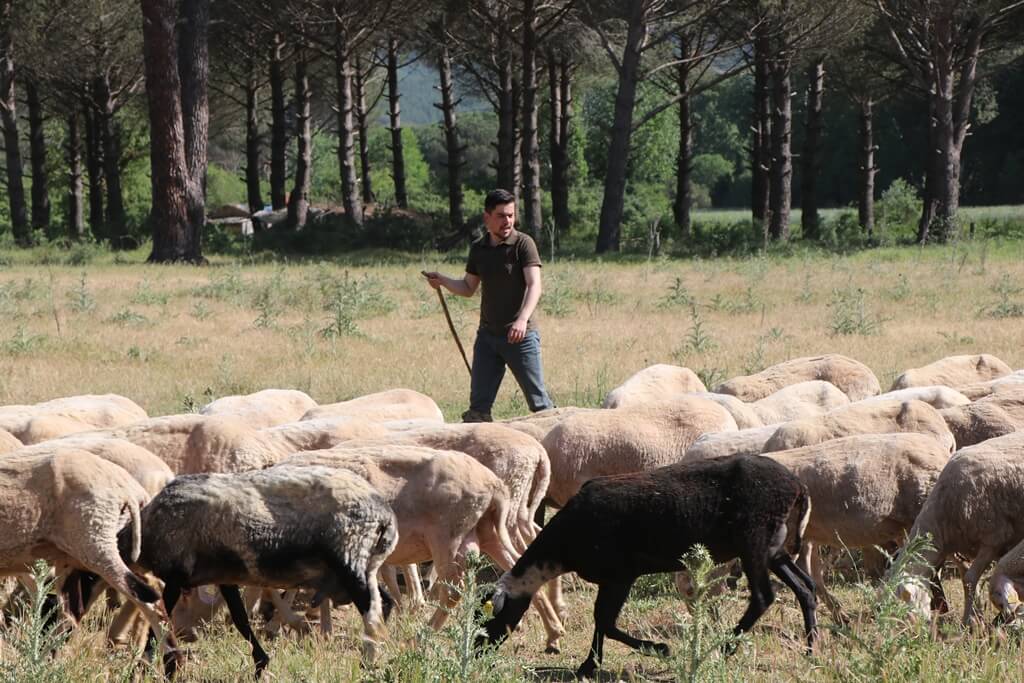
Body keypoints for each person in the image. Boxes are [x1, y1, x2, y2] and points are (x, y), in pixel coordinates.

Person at [423, 189, 554, 422]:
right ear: (487, 217)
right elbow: (468, 287)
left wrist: (522, 320)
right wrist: (441, 280)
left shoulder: (524, 244)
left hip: (520, 338)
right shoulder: (479, 248)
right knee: (477, 411)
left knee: (540, 406)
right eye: (501, 215)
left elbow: (535, 285)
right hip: (487, 338)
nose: (508, 221)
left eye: (511, 215)